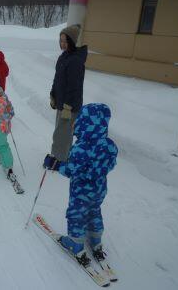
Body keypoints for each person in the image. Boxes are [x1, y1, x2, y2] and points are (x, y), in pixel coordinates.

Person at [44, 103, 118, 266]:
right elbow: (111, 165)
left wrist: (55, 165)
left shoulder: (81, 148)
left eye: (80, 120)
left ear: (85, 123)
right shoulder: (110, 145)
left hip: (80, 192)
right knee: (94, 211)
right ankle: (96, 240)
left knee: (76, 215)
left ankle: (76, 244)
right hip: (99, 189)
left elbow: (72, 170)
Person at [43, 24, 88, 169]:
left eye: (65, 41)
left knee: (62, 133)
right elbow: (58, 79)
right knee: (62, 131)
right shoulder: (64, 57)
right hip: (62, 102)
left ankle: (60, 161)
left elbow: (74, 86)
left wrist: (68, 105)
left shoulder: (75, 60)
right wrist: (53, 94)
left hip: (70, 105)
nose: (62, 43)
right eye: (60, 40)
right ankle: (63, 156)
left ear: (72, 42)